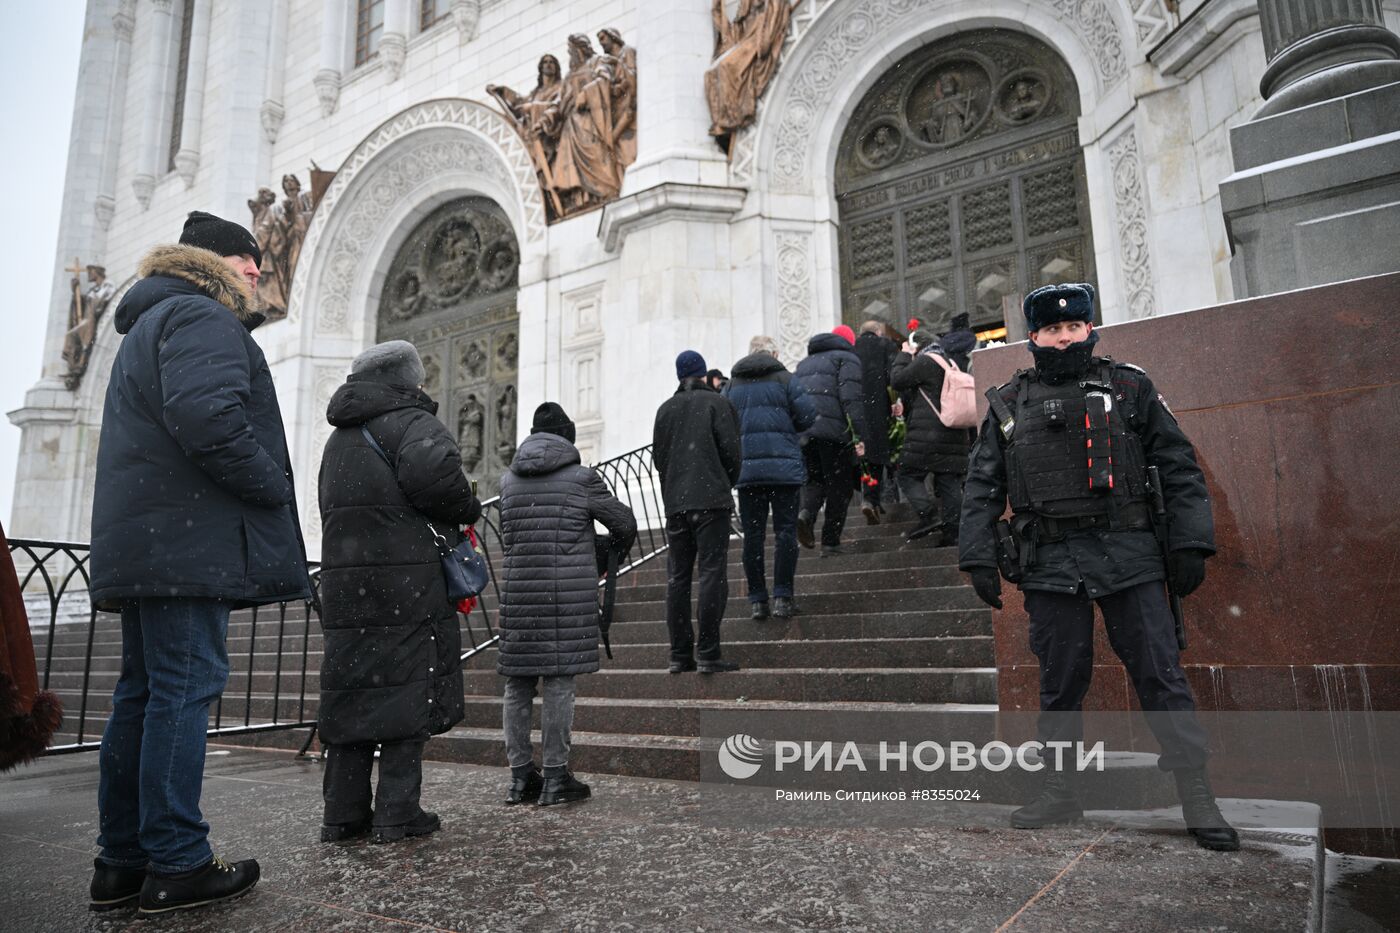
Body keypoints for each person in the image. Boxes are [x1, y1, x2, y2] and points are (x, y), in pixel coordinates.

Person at [959, 282, 1238, 852]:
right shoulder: (1009, 402)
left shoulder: (1130, 386)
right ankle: (1060, 789)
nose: (1064, 339)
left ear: (1090, 329)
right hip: (1049, 559)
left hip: (1128, 553)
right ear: (1032, 337)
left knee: (1159, 674)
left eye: (1074, 328)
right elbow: (982, 485)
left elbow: (1178, 464)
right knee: (1060, 682)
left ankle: (1196, 793)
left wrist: (1190, 543)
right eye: (1052, 330)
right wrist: (978, 555)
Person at [89, 212, 311, 914]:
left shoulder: (151, 322)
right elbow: (209, 417)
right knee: (182, 689)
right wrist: (272, 480)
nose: (256, 271)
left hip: (149, 542)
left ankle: (122, 860)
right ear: (213, 262)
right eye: (246, 261)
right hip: (186, 546)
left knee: (144, 695)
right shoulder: (204, 316)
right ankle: (178, 859)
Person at [317, 340, 483, 844]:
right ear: (408, 379)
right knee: (408, 689)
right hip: (405, 583)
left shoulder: (339, 437)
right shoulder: (412, 422)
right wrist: (469, 505)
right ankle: (397, 812)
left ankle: (342, 816)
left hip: (347, 584)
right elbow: (442, 487)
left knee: (352, 695)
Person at [497, 403, 637, 805]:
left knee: (518, 684)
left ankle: (521, 778)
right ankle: (556, 778)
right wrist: (603, 559)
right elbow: (625, 523)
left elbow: (511, 539)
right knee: (558, 682)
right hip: (566, 595)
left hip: (520, 594)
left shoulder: (508, 482)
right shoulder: (581, 479)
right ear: (568, 438)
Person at [653, 350, 743, 673]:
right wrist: (723, 481)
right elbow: (732, 453)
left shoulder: (665, 410)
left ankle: (679, 654)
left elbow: (659, 460)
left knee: (678, 578)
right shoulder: (718, 404)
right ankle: (708, 651)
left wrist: (675, 489)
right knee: (711, 573)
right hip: (711, 501)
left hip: (677, 504)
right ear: (704, 374)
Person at [724, 336, 817, 620]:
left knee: (753, 537)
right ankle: (783, 597)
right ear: (774, 353)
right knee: (785, 533)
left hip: (748, 472)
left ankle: (757, 601)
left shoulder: (731, 387)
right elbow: (808, 415)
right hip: (783, 470)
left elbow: (724, 424)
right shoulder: (785, 379)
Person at [890, 329, 970, 546]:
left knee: (907, 474)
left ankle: (928, 514)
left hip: (929, 434)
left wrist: (904, 355)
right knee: (949, 482)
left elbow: (897, 380)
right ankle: (954, 534)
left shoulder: (927, 360)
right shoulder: (949, 361)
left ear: (917, 346)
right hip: (953, 432)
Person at [793, 325, 867, 557]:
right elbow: (850, 398)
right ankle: (830, 541)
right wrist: (860, 434)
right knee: (840, 486)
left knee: (815, 480)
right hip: (834, 432)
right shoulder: (847, 359)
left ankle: (806, 513)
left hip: (806, 433)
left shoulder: (804, 364)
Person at [853, 320, 901, 524]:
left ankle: (870, 499)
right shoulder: (886, 345)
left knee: (866, 456)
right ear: (878, 332)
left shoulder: (851, 349)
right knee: (882, 456)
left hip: (858, 410)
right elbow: (894, 377)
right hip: (880, 408)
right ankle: (878, 499)